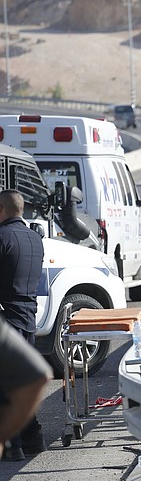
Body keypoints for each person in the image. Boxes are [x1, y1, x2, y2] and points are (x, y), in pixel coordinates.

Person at [0, 189, 47, 460]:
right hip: (28, 317)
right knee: (24, 380)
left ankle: (14, 444)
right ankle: (33, 438)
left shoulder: (2, 237)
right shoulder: (35, 238)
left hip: (7, 318)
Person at [0, 317, 51, 462]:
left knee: (8, 385)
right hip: (25, 315)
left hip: (11, 314)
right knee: (20, 381)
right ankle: (31, 439)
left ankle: (13, 445)